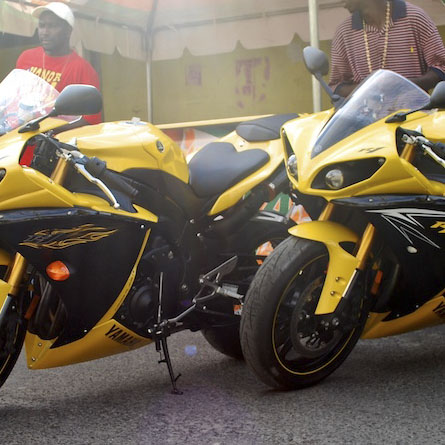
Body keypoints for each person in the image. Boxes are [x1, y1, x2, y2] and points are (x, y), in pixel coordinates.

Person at [329, 0, 445, 97]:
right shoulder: (343, 33)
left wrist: (405, 86)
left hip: (415, 118)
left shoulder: (415, 18)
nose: (342, 2)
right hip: (368, 121)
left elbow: (441, 67)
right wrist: (372, 88)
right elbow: (337, 86)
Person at [16, 2, 101, 127]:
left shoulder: (83, 69)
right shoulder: (26, 57)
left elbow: (90, 120)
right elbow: (14, 99)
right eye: (42, 25)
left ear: (68, 31)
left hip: (55, 143)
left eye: (52, 26)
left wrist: (46, 132)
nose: (45, 32)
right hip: (21, 140)